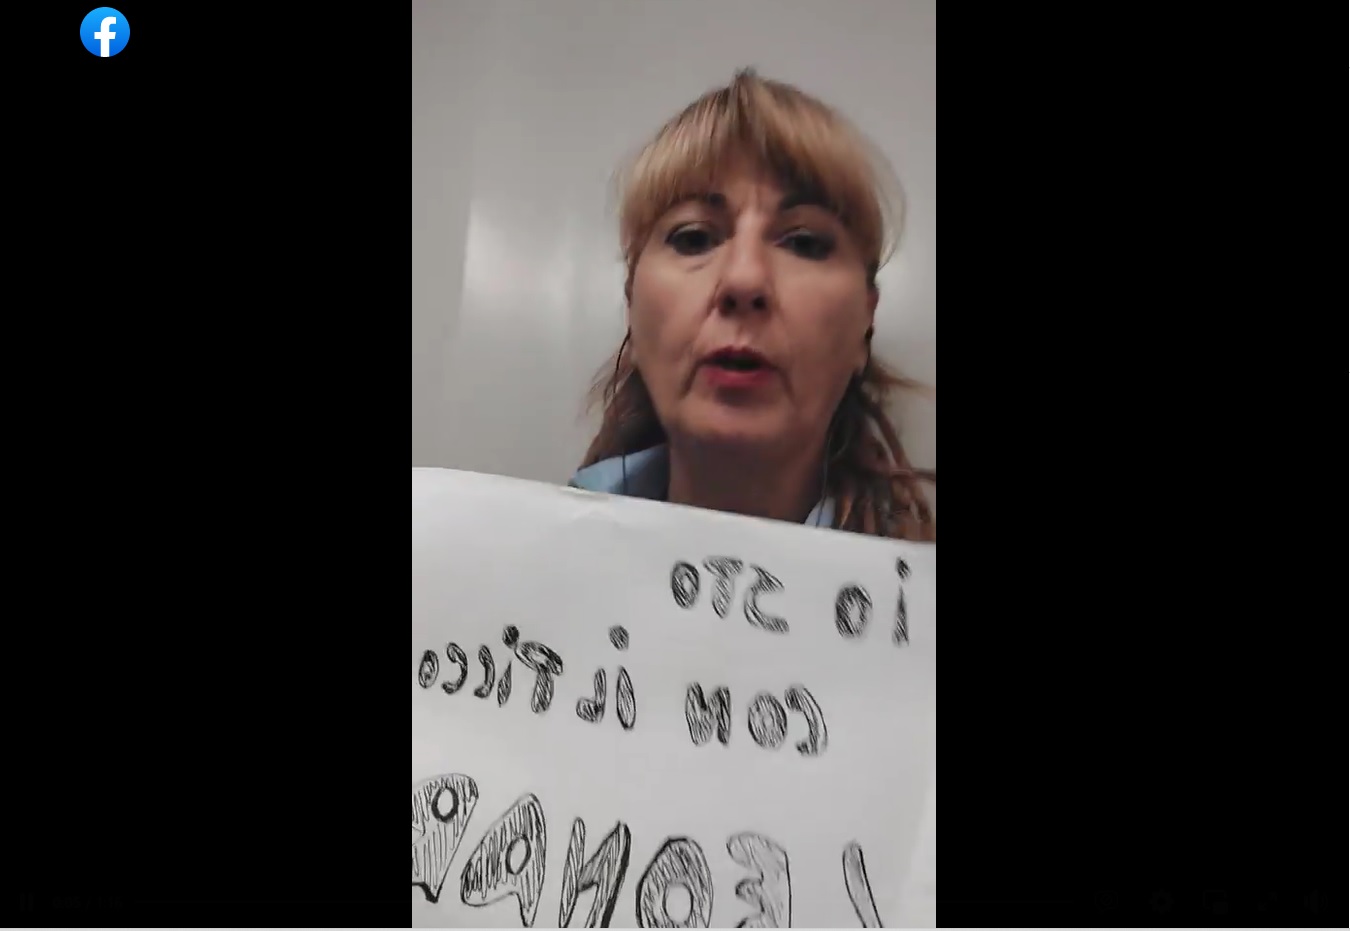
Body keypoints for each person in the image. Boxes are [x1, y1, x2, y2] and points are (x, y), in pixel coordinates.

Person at [569, 68, 935, 542]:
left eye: (803, 242)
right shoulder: (523, 566)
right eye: (694, 237)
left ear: (865, 323)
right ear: (632, 309)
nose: (744, 280)